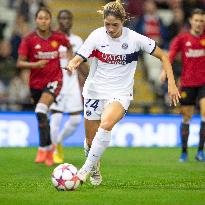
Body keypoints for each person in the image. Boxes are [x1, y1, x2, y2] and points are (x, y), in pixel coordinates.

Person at [67, 0, 180, 185]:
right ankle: (94, 168)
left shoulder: (134, 38)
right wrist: (73, 63)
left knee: (106, 124)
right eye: (107, 24)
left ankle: (83, 172)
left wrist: (172, 83)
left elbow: (163, 56)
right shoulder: (97, 36)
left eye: (115, 25)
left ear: (123, 22)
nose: (110, 29)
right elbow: (80, 56)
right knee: (89, 140)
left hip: (120, 93)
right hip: (94, 91)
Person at [17, 7, 72, 166]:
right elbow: (19, 62)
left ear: (50, 20)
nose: (43, 21)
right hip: (35, 84)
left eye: (46, 18)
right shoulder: (28, 40)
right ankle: (49, 148)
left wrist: (69, 60)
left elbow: (68, 47)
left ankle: (43, 148)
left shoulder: (58, 37)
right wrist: (35, 64)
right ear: (36, 20)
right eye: (40, 18)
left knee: (41, 109)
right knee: (41, 115)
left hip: (55, 80)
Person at [161, 8, 205, 162]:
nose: (199, 23)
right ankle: (184, 151)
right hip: (187, 84)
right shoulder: (182, 38)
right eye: (197, 20)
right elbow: (170, 55)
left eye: (202, 21)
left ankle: (200, 151)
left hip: (203, 84)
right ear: (191, 21)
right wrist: (164, 72)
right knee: (187, 117)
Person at [50, 9, 88, 164]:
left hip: (72, 85)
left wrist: (91, 78)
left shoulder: (77, 40)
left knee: (75, 121)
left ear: (71, 21)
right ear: (58, 20)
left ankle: (58, 141)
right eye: (62, 18)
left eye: (68, 18)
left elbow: (83, 64)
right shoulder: (52, 38)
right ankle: (54, 150)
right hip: (56, 83)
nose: (65, 21)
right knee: (56, 118)